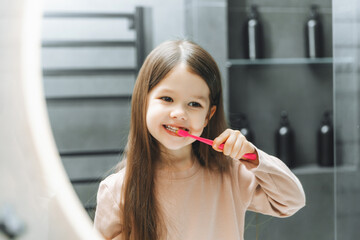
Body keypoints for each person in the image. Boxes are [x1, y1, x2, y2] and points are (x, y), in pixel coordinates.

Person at [94, 39, 305, 240]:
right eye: (167, 99)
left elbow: (292, 201)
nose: (179, 113)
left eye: (194, 104)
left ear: (208, 116)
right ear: (143, 102)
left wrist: (254, 157)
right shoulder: (117, 190)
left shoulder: (231, 174)